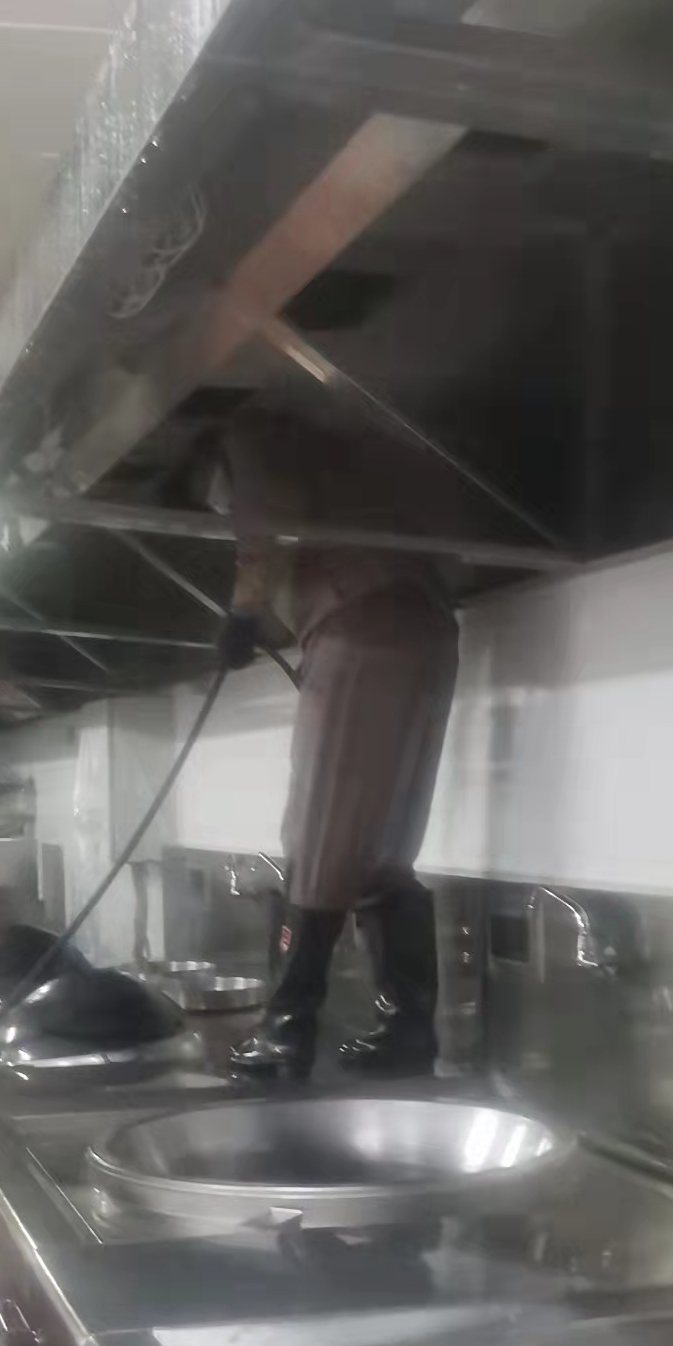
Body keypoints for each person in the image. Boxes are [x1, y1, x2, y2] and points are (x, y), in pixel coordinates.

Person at [212, 405, 460, 1082]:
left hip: (359, 625)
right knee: (385, 846)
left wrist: (243, 611)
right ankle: (407, 1029)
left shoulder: (247, 430)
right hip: (428, 626)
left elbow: (261, 519)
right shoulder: (359, 455)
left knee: (319, 832)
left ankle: (285, 1031)